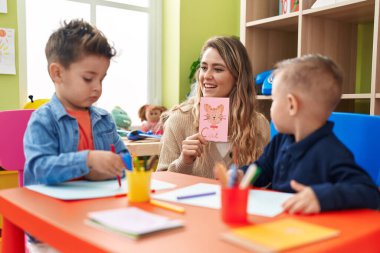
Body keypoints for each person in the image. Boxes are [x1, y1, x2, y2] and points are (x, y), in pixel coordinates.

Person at [23, 19, 126, 252]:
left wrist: (119, 165)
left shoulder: (104, 119)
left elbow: (123, 158)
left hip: (96, 218)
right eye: (89, 79)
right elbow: (40, 167)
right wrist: (87, 161)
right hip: (50, 226)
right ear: (57, 73)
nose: (97, 87)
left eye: (102, 79)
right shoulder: (43, 119)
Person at [251, 54, 380, 214]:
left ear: (292, 105)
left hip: (313, 231)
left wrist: (321, 197)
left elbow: (369, 192)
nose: (271, 108)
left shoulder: (331, 152)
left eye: (273, 100)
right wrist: (243, 175)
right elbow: (262, 168)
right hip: (279, 221)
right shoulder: (280, 140)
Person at [157, 36, 270, 178]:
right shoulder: (179, 120)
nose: (206, 76)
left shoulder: (258, 125)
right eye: (204, 68)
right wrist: (184, 161)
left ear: (238, 77)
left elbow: (266, 181)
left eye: (217, 69)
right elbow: (161, 183)